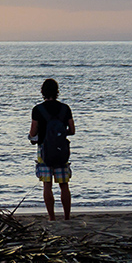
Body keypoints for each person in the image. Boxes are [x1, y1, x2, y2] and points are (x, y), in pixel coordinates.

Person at [28, 78, 75, 221]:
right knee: (64, 185)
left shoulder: (37, 109)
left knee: (47, 185)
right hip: (61, 149)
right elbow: (72, 130)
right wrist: (59, 134)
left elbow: (33, 133)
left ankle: (52, 218)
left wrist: (33, 137)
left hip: (44, 149)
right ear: (57, 92)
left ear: (42, 92)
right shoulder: (65, 108)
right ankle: (67, 217)